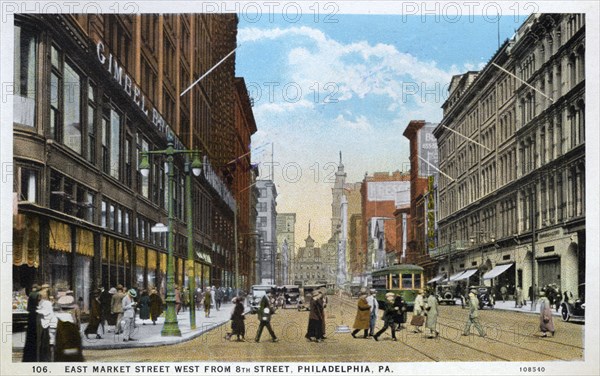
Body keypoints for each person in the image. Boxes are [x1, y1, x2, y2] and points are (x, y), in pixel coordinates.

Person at [54, 293, 84, 362]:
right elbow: (78, 318)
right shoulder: (75, 309)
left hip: (62, 355)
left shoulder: (58, 320)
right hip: (74, 354)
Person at [36, 285, 54, 362]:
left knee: (43, 342)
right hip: (45, 323)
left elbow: (47, 312)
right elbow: (48, 312)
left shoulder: (44, 300)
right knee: (44, 342)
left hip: (44, 323)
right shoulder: (46, 300)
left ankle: (43, 358)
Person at [22, 284, 40, 362]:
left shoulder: (30, 295)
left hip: (31, 316)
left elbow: (28, 307)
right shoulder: (37, 295)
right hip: (36, 316)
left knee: (30, 335)